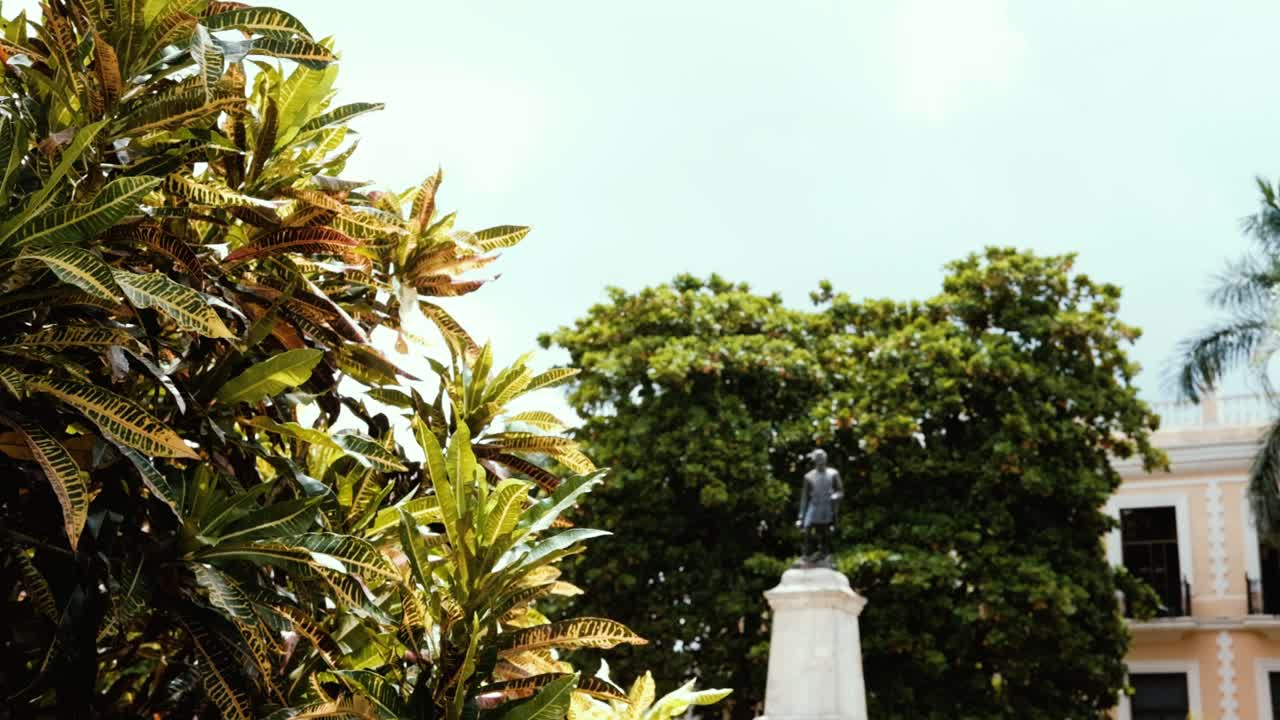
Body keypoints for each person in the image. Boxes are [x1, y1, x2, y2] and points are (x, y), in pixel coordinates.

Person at [796, 448, 842, 562]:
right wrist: (801, 516)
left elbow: (840, 491)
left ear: (826, 459)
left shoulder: (833, 474)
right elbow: (804, 497)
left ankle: (824, 553)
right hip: (814, 505)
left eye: (822, 458)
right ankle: (808, 553)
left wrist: (835, 496)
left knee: (824, 532)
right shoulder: (809, 476)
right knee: (807, 529)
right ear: (814, 460)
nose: (820, 460)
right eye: (818, 458)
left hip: (826, 505)